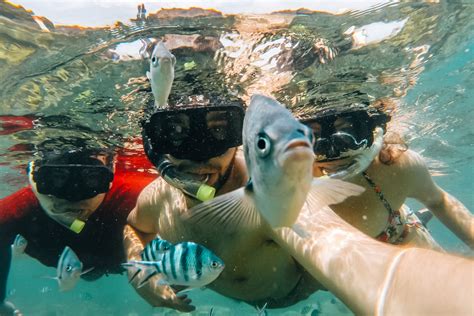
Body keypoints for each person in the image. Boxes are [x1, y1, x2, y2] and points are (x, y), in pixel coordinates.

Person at [124, 98, 324, 312]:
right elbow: (135, 228)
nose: (200, 154)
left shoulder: (268, 191)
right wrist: (142, 278)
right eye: (176, 130)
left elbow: (338, 251)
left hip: (293, 297)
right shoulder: (158, 198)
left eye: (219, 129)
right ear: (154, 142)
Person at [0, 147, 157, 315]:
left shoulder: (140, 200)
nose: (72, 195)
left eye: (91, 178)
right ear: (33, 174)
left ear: (110, 175)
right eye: (56, 178)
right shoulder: (12, 215)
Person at [299, 101, 473, 249]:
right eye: (312, 137)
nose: (332, 151)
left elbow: (439, 201)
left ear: (372, 129)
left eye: (347, 132)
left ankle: (412, 216)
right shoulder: (290, 185)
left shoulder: (395, 165)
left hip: (405, 240)